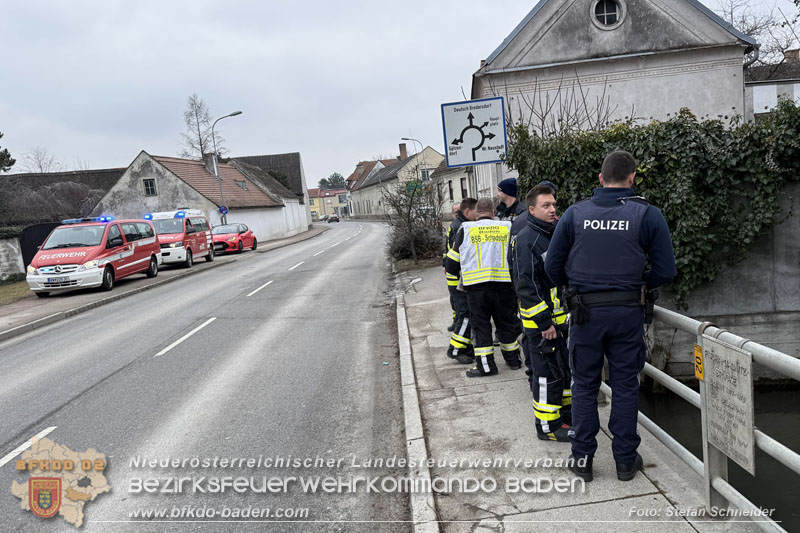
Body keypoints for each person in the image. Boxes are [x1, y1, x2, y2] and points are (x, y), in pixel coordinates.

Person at [545, 150, 676, 482]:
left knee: (585, 385)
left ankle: (583, 461)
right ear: (632, 179)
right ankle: (625, 461)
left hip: (585, 313)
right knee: (625, 385)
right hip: (627, 313)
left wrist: (575, 288)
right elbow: (665, 269)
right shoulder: (647, 214)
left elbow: (551, 267)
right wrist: (638, 285)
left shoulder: (575, 214)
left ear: (600, 180)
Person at [511, 185, 571, 442]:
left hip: (562, 322)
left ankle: (565, 417)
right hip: (543, 326)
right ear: (532, 209)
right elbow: (526, 285)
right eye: (546, 205)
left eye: (554, 204)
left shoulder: (555, 234)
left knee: (563, 372)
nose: (552, 209)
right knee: (546, 375)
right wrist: (544, 321)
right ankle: (547, 427)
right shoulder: (526, 240)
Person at [446, 198, 521, 377]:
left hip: (477, 288)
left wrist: (457, 278)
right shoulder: (507, 227)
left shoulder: (466, 229)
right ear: (493, 212)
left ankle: (486, 367)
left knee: (482, 327)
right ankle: (514, 361)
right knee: (506, 324)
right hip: (505, 286)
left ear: (477, 213)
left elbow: (452, 262)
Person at [445, 198, 478, 363]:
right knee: (465, 316)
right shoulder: (463, 228)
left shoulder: (458, 225)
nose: (478, 215)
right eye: (476, 211)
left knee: (465, 315)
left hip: (460, 281)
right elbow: (453, 260)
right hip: (461, 282)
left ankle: (466, 348)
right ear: (467, 212)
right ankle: (455, 350)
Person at [444, 203, 465, 331]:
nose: (457, 213)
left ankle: (459, 322)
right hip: (451, 267)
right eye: (455, 211)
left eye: (459, 210)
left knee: (458, 298)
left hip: (457, 268)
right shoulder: (454, 225)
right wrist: (444, 263)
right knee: (454, 297)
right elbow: (446, 246)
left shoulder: (459, 226)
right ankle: (456, 320)